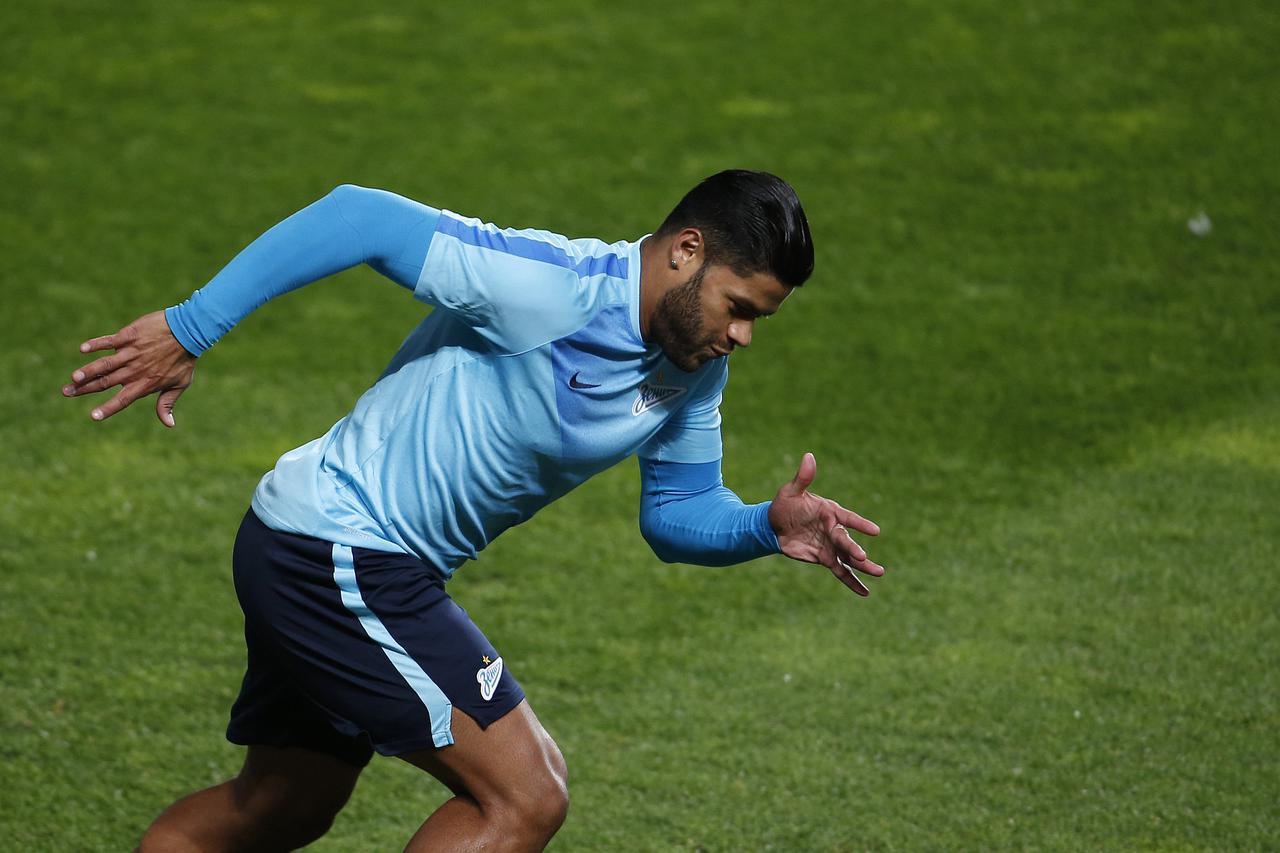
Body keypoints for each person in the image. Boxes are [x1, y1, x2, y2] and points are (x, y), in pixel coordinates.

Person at [63, 170, 885, 852]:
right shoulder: (554, 289)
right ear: (686, 251)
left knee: (283, 806)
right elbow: (361, 215)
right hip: (339, 553)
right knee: (526, 797)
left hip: (332, 555)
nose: (742, 335)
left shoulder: (693, 367)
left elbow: (677, 511)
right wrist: (191, 326)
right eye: (739, 306)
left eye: (758, 320)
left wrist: (763, 528)